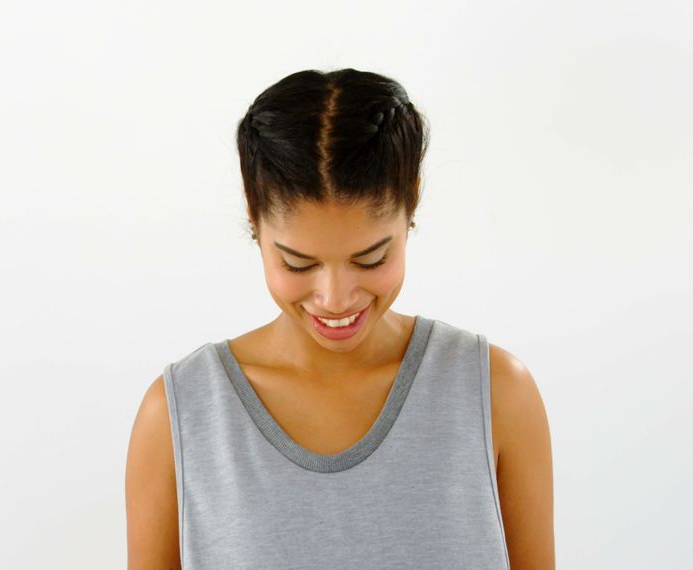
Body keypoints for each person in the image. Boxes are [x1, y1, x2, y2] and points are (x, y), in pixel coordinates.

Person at [125, 68, 554, 569]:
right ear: (253, 216)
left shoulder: (495, 392)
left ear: (411, 200)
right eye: (298, 264)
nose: (335, 298)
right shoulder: (181, 415)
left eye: (370, 260)